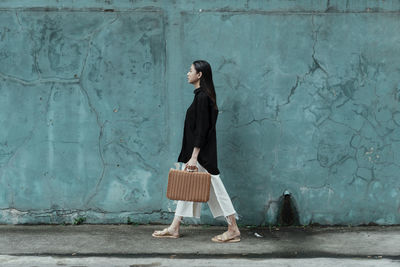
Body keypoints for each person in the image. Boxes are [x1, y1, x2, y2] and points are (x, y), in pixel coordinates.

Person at [152, 60, 241, 243]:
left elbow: (202, 130)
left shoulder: (202, 98)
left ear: (199, 75)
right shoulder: (201, 96)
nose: (187, 73)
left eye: (190, 70)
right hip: (198, 154)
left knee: (217, 189)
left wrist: (194, 157)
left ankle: (233, 229)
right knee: (187, 188)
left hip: (201, 156)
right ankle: (174, 227)